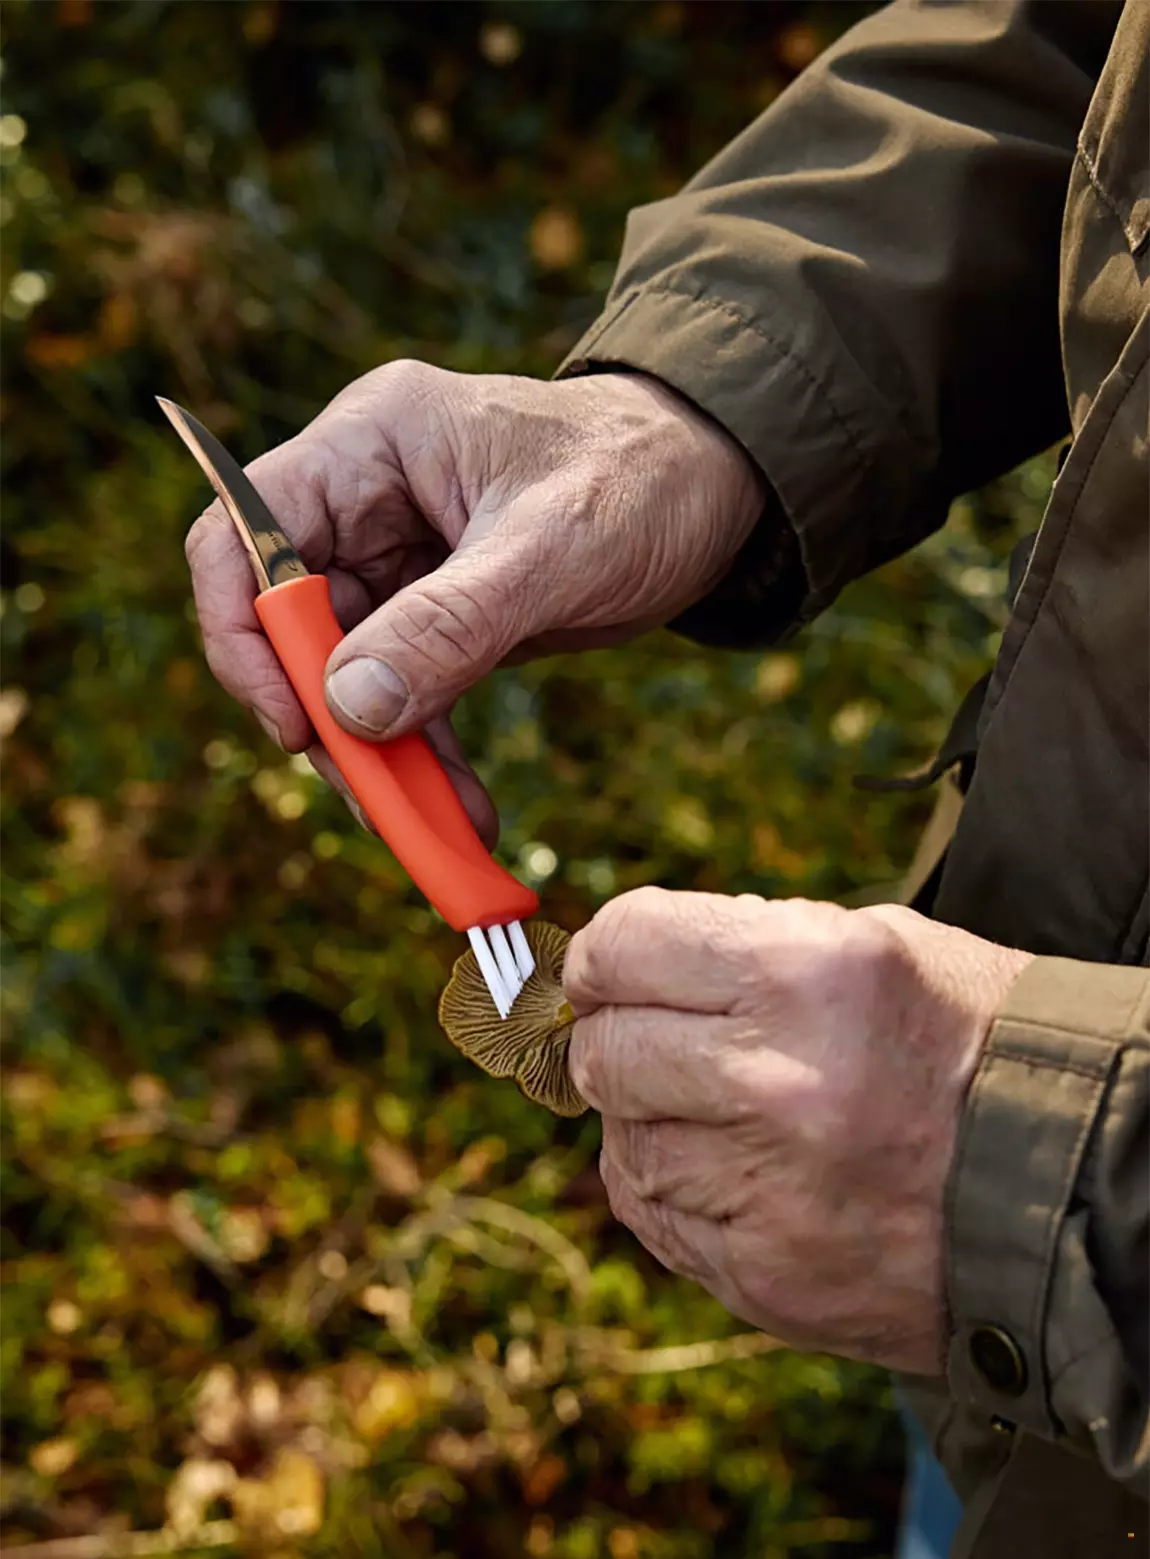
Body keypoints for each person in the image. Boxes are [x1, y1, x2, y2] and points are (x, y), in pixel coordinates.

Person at [185, 2, 1148, 1554]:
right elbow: (1060, 42)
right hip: (969, 1299)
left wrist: (1051, 1165)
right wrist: (696, 403)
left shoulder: (987, 1167)